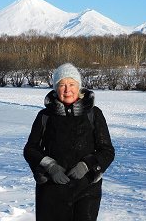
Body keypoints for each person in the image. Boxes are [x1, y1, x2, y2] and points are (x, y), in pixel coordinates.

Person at [23, 63, 115, 221]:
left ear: (79, 86)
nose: (67, 90)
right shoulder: (45, 116)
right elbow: (31, 149)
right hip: (52, 191)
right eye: (62, 85)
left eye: (72, 84)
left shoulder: (93, 114)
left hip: (86, 190)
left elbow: (107, 151)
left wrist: (87, 165)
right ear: (55, 88)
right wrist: (50, 167)